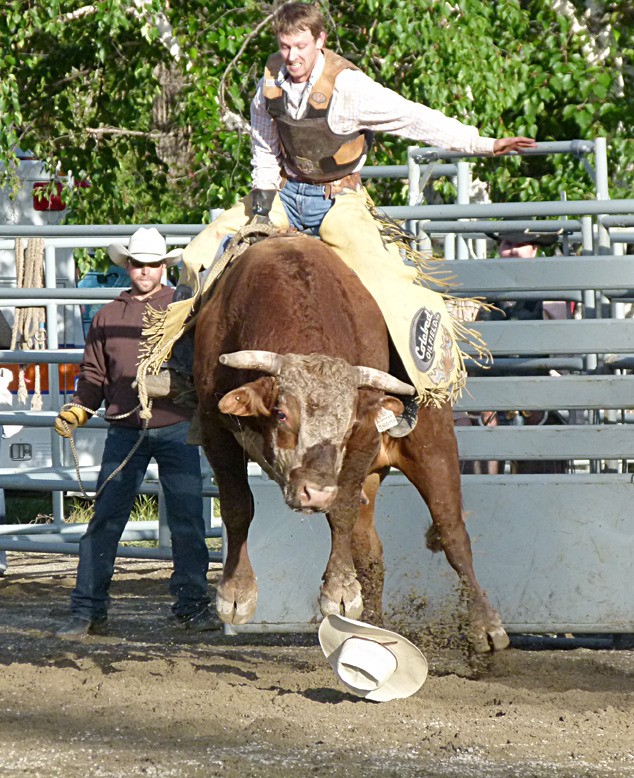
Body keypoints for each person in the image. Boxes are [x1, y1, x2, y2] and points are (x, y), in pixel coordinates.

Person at [146, 1, 536, 436]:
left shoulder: (350, 88)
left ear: (319, 41)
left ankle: (407, 386)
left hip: (338, 199)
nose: (291, 56)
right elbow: (263, 144)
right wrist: (261, 200)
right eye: (284, 46)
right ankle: (181, 367)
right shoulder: (269, 82)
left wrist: (480, 144)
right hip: (283, 192)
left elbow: (413, 118)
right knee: (204, 252)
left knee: (385, 278)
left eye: (300, 46)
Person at [55, 227, 214, 637]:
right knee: (106, 518)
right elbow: (93, 372)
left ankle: (192, 607)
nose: (146, 270)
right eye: (139, 263)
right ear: (128, 266)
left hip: (176, 424)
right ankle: (89, 609)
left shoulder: (185, 308)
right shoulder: (109, 316)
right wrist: (79, 408)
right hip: (126, 428)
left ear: (163, 267)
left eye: (153, 264)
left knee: (188, 520)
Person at [462, 229, 571, 475]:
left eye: (520, 245)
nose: (512, 250)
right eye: (507, 244)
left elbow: (563, 354)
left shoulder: (550, 293)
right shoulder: (479, 292)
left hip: (536, 388)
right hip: (488, 388)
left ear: (534, 250)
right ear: (499, 249)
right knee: (480, 436)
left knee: (542, 441)